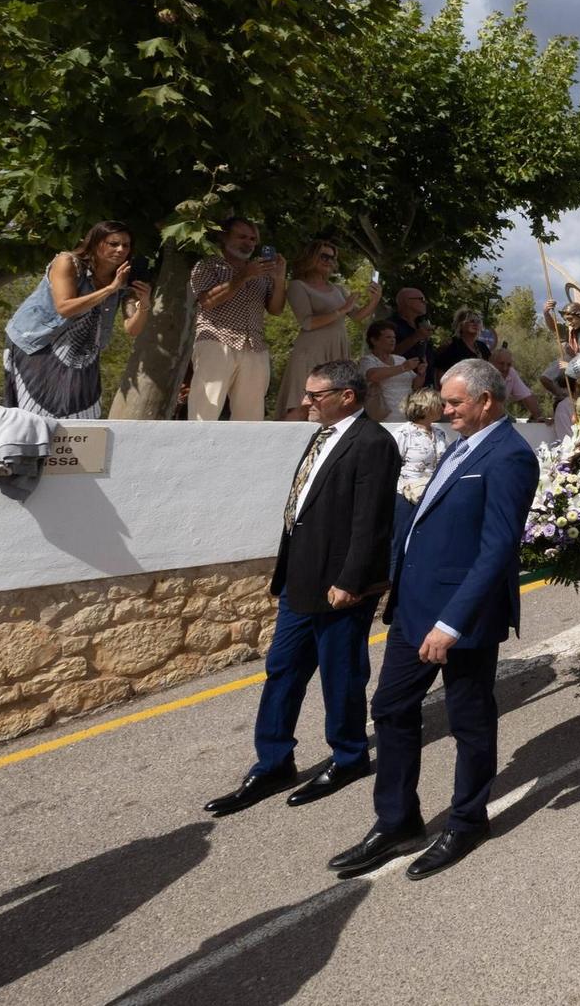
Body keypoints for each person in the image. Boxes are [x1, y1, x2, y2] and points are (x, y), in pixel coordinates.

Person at [328, 359, 539, 882]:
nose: (443, 411)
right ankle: (397, 821)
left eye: (453, 403)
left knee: (470, 719)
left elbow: (495, 551)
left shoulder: (510, 455)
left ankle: (468, 820)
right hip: (413, 609)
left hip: (458, 618)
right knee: (391, 707)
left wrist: (451, 624)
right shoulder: (459, 445)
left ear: (487, 400)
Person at [206, 360, 401, 818]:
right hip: (300, 580)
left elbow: (371, 521)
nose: (307, 402)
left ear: (347, 396)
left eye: (316, 395)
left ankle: (349, 756)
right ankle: (274, 761)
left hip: (339, 586)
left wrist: (351, 581)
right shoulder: (322, 436)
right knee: (283, 670)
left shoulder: (373, 442)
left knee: (341, 674)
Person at [2, 221, 151, 418]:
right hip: (38, 342)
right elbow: (65, 308)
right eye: (113, 244)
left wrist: (145, 304)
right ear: (96, 244)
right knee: (36, 415)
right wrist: (109, 289)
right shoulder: (67, 262)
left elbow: (133, 329)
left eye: (126, 245)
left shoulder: (125, 278)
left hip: (81, 351)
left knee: (81, 413)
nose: (121, 249)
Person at [188, 216, 287, 421]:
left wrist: (279, 279)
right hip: (216, 341)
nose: (248, 243)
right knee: (204, 411)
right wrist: (243, 276)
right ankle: (196, 452)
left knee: (251, 419)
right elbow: (206, 301)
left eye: (252, 239)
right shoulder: (208, 265)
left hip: (255, 347)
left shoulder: (261, 271)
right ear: (224, 237)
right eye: (242, 236)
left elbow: (276, 310)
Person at [273, 241, 381, 421]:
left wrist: (374, 300)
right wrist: (342, 309)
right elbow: (307, 322)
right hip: (311, 349)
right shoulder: (298, 286)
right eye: (324, 256)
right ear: (311, 257)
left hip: (336, 346)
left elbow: (357, 316)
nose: (329, 261)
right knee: (301, 404)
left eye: (332, 257)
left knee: (332, 403)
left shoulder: (337, 288)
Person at [394, 388, 456, 503]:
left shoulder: (439, 433)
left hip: (433, 493)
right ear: (427, 407)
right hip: (407, 496)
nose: (443, 408)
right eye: (439, 404)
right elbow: (391, 464)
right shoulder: (404, 433)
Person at [360, 320, 425, 422]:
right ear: (374, 340)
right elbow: (372, 375)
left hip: (406, 419)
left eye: (394, 337)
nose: (393, 340)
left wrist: (421, 373)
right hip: (383, 420)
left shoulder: (401, 360)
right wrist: (403, 368)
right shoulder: (368, 360)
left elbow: (416, 385)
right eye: (388, 337)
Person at [487, 344, 544, 423]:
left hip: (497, 414)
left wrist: (538, 417)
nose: (505, 368)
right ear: (491, 363)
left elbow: (527, 396)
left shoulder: (511, 373)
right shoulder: (484, 373)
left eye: (508, 365)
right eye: (501, 363)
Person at [388, 287, 435, 381]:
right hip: (400, 384)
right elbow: (386, 354)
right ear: (407, 302)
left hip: (424, 384)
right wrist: (416, 337)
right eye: (421, 299)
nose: (425, 303)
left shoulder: (421, 324)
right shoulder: (390, 325)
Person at [433, 309, 491, 373]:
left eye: (478, 322)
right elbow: (440, 370)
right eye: (472, 321)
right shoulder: (452, 346)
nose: (475, 324)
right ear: (461, 325)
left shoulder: (482, 347)